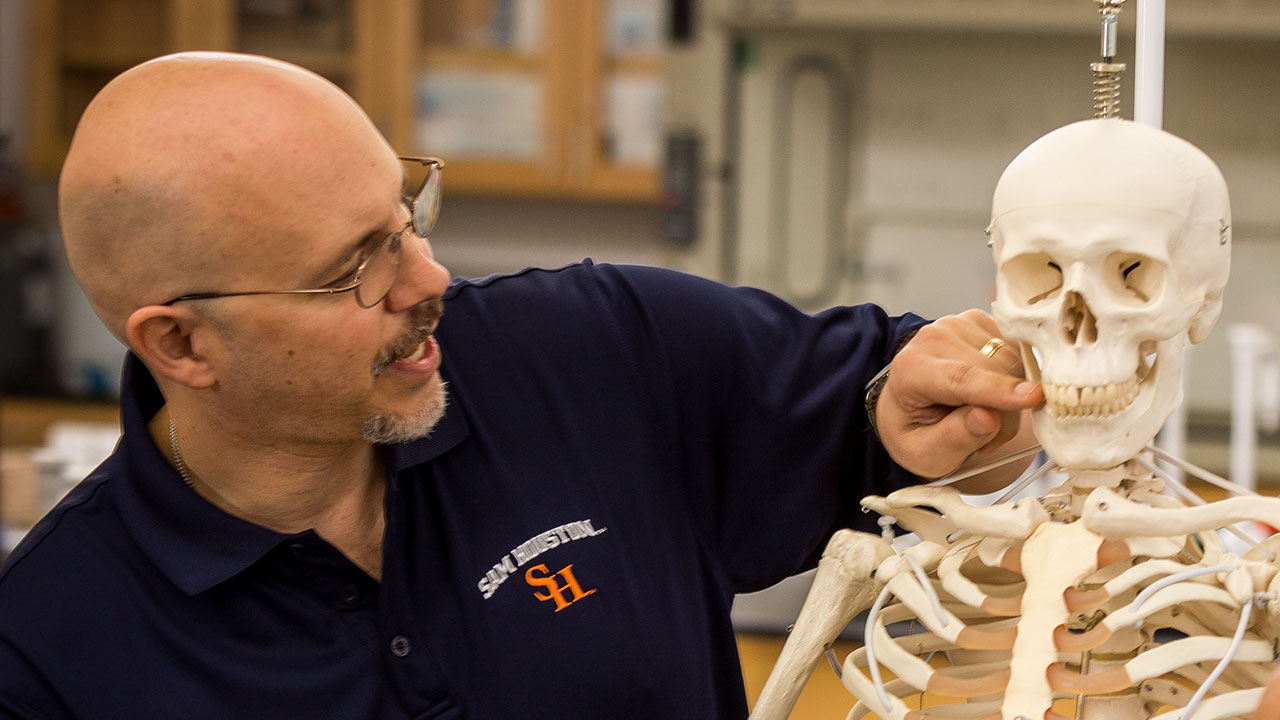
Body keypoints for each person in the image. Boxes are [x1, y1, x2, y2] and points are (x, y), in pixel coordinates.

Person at [0, 52, 1040, 719]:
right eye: (355, 269)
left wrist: (923, 402)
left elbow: (902, 401)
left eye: (406, 215)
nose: (428, 281)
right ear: (180, 345)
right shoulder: (49, 651)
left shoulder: (598, 349)